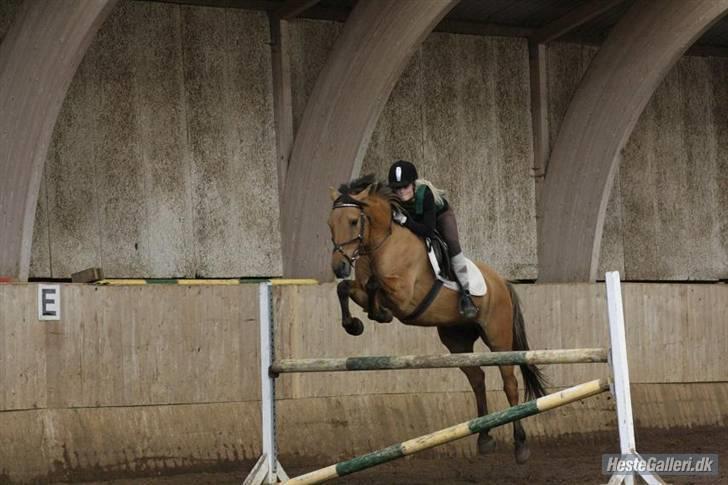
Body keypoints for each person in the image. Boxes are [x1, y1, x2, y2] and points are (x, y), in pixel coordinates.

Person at [387, 160, 478, 319]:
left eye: (405, 186)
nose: (401, 192)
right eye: (397, 188)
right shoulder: (390, 197)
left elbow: (428, 231)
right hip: (414, 219)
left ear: (413, 184)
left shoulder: (426, 194)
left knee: (452, 243)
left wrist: (404, 221)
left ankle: (466, 295)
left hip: (439, 216)